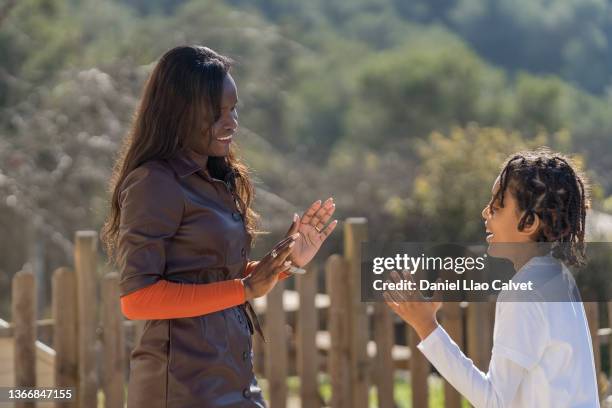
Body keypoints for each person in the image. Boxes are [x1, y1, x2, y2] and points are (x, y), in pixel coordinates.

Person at [101, 45, 337, 408]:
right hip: (181, 392)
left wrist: (289, 261)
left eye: (233, 108)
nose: (232, 122)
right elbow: (137, 299)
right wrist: (244, 289)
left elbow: (214, 277)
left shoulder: (215, 176)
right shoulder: (154, 182)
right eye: (216, 112)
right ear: (180, 112)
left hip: (236, 380)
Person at [384, 148, 599, 407]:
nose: (485, 213)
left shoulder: (524, 292)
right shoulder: (559, 277)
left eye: (497, 206)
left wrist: (426, 327)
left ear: (529, 222)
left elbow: (494, 401)